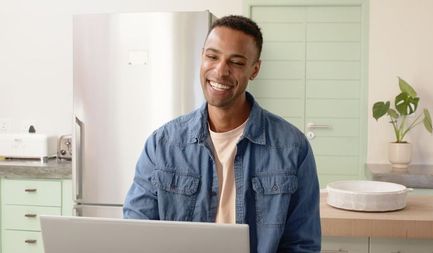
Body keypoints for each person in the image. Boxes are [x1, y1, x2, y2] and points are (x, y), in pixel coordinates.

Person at [123, 15, 321, 253]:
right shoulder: (162, 144)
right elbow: (137, 232)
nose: (220, 70)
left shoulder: (293, 147)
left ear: (254, 69)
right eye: (212, 56)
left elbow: (302, 244)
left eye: (236, 62)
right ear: (202, 57)